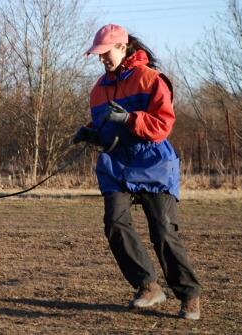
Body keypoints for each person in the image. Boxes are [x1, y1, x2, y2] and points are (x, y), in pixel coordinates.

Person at [73, 24, 201, 320]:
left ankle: (190, 295)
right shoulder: (98, 89)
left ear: (122, 47)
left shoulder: (152, 80)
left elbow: (162, 126)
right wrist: (90, 133)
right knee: (114, 222)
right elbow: (105, 127)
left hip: (153, 162)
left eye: (105, 53)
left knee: (163, 232)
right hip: (116, 164)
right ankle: (148, 286)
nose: (101, 59)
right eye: (98, 55)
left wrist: (130, 119)